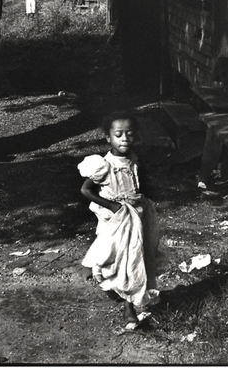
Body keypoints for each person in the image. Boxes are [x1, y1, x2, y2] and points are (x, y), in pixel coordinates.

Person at [78, 111, 165, 330]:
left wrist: (141, 201)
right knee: (111, 255)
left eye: (129, 134)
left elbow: (137, 184)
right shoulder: (104, 165)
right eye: (118, 135)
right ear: (108, 138)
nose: (124, 138)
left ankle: (129, 306)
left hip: (136, 216)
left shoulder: (134, 159)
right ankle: (107, 280)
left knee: (133, 259)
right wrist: (113, 206)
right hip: (114, 219)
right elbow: (86, 190)